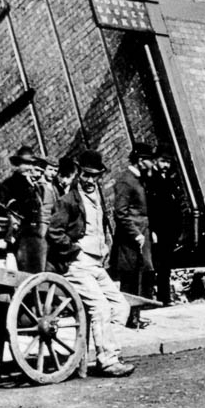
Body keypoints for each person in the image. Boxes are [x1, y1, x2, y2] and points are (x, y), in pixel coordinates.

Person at [46, 149, 135, 377]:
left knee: (120, 307)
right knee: (101, 308)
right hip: (77, 266)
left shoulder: (98, 197)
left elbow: (102, 225)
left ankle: (105, 345)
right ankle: (108, 360)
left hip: (96, 266)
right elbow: (54, 233)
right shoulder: (69, 201)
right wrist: (74, 250)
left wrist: (105, 246)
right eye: (85, 175)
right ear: (78, 173)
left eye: (94, 176)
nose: (89, 180)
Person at [113, 143, 156, 325]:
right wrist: (136, 234)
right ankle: (129, 318)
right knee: (130, 277)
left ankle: (135, 316)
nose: (152, 164)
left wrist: (149, 231)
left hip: (142, 234)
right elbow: (120, 213)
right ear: (140, 160)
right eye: (149, 160)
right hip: (131, 238)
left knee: (140, 275)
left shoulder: (138, 179)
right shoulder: (126, 180)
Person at [147, 152, 188, 306]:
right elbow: (151, 209)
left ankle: (165, 298)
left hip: (170, 230)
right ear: (156, 161)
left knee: (166, 265)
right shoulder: (152, 181)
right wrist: (153, 231)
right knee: (159, 265)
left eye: (168, 162)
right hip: (159, 230)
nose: (166, 166)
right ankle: (160, 298)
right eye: (163, 161)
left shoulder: (169, 181)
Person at [5, 146, 47, 272]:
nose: (28, 167)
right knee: (27, 273)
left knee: (38, 271)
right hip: (22, 237)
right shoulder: (9, 184)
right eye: (25, 164)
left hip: (35, 235)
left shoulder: (33, 187)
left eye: (31, 164)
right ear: (17, 165)